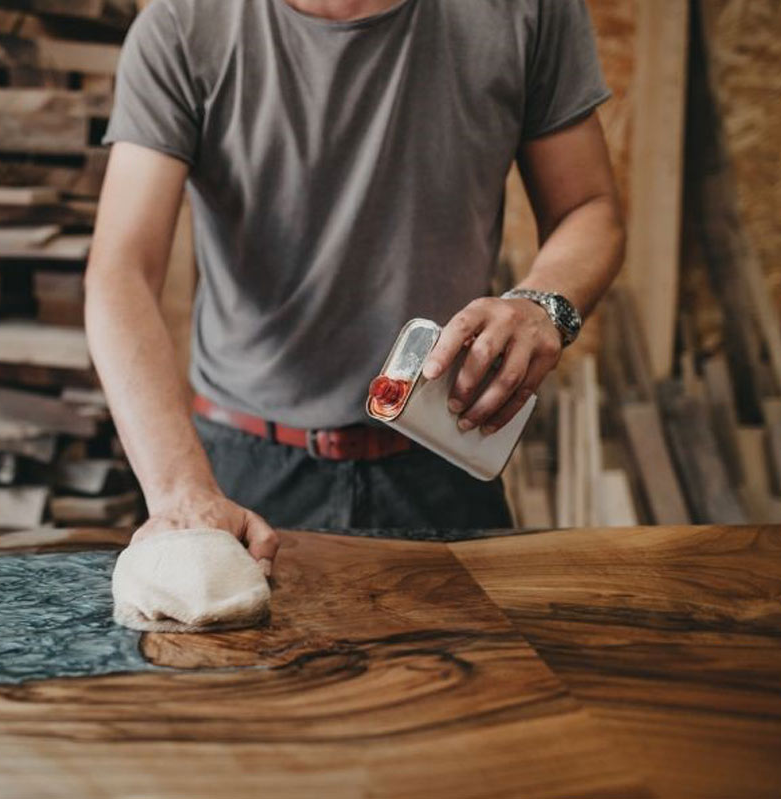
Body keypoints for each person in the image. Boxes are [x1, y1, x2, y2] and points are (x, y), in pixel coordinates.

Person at [84, 0, 625, 570]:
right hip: (240, 474)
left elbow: (588, 208)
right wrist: (179, 491)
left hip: (441, 453)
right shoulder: (184, 24)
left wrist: (542, 305)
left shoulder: (527, 11)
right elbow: (121, 269)